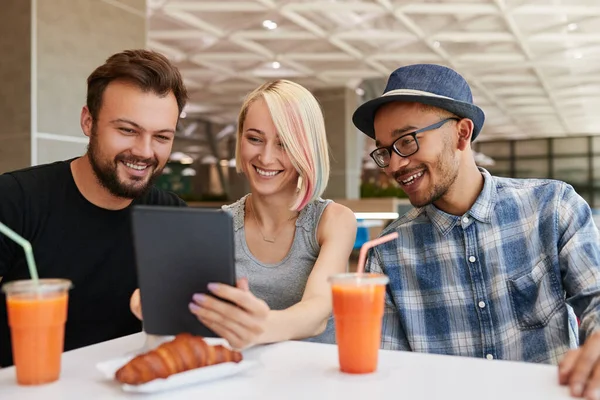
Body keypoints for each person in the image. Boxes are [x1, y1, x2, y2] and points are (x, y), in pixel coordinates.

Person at [352, 64, 600, 399]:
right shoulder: (387, 254)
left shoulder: (552, 207)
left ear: (462, 133)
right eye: (385, 150)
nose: (395, 165)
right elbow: (389, 371)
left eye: (407, 142)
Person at [130, 79, 357, 349]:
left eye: (283, 143)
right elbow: (191, 308)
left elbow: (318, 313)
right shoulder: (219, 225)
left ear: (306, 150)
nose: (266, 156)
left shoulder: (334, 221)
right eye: (255, 139)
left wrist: (258, 327)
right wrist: (155, 299)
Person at [0, 49, 188, 367]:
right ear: (89, 122)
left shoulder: (174, 218)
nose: (144, 151)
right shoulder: (15, 199)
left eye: (161, 137)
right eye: (127, 130)